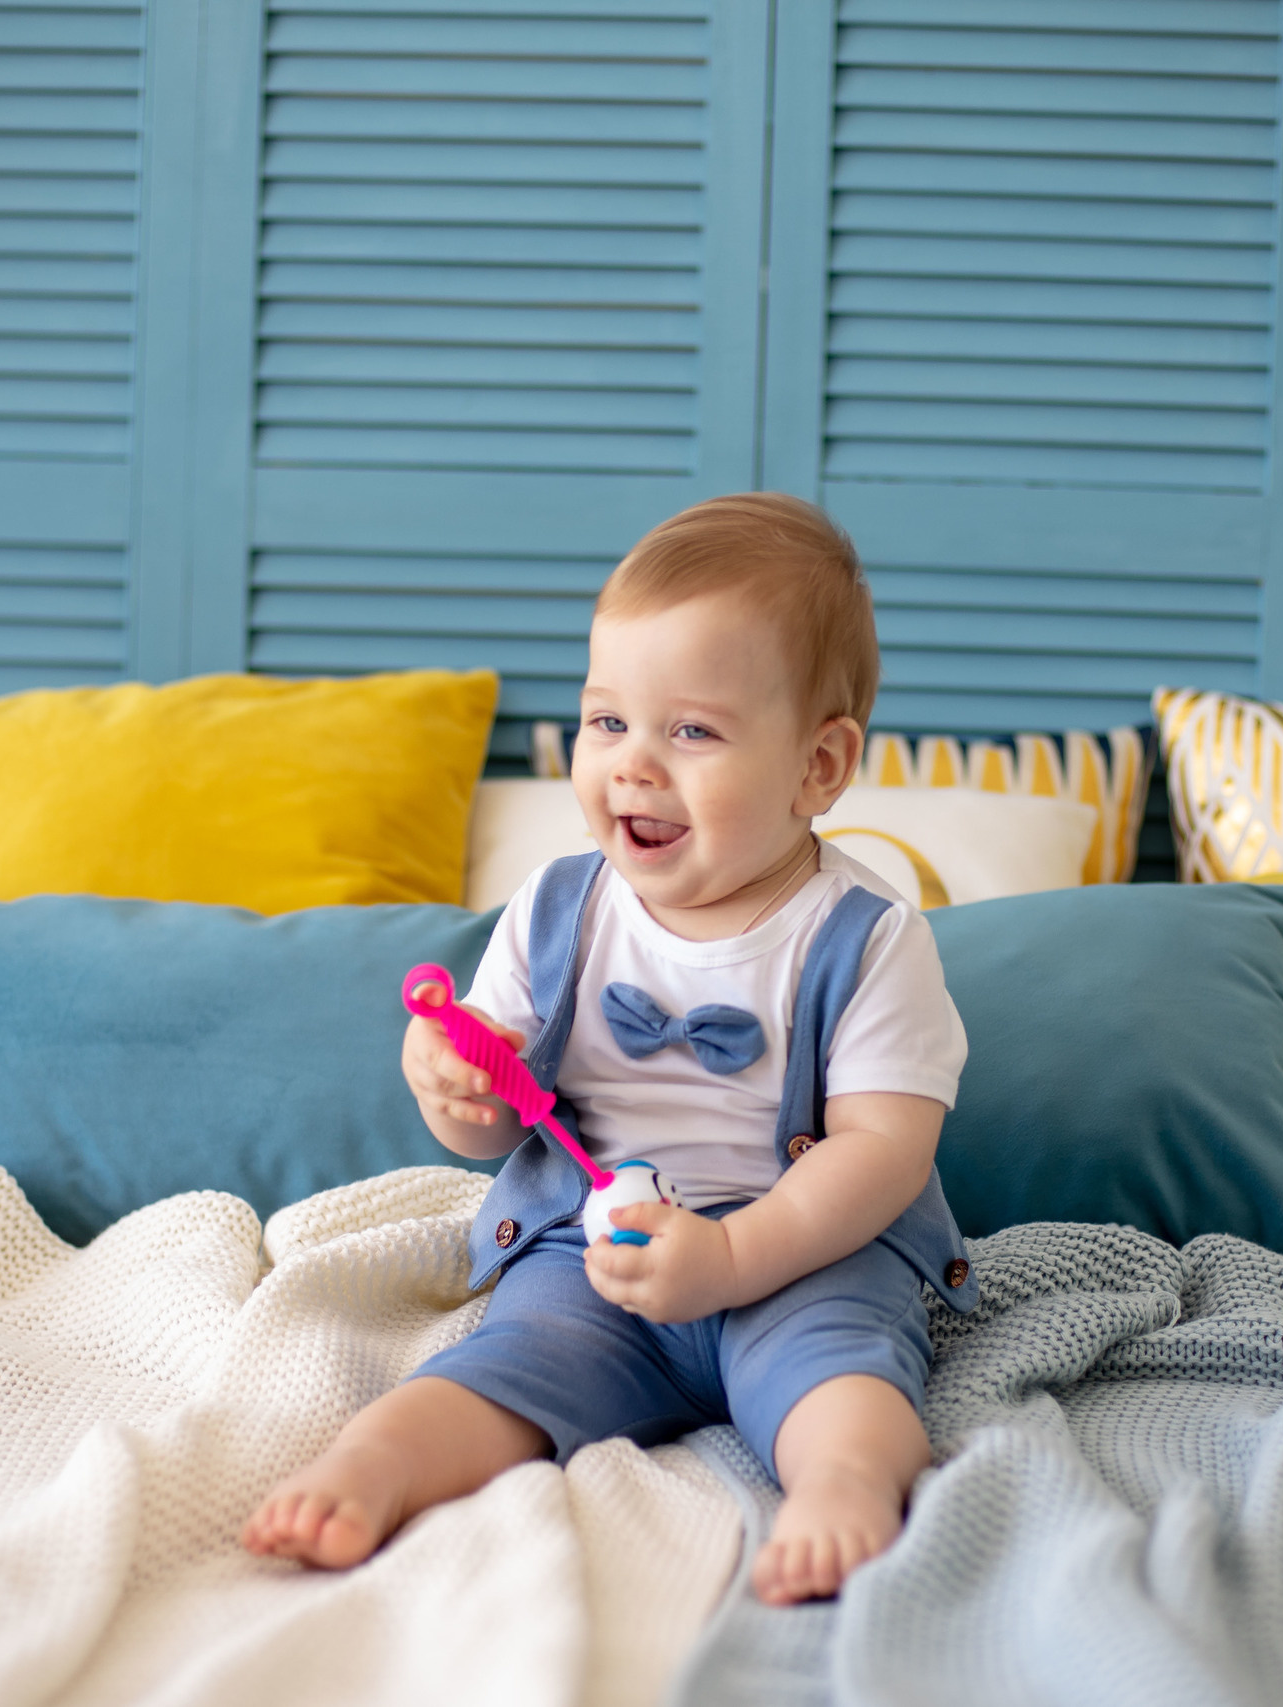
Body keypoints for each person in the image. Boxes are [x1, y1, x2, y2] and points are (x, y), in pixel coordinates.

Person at [244, 493, 977, 1604]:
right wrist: (452, 1083)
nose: (633, 766)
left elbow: (886, 1148)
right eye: (604, 722)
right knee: (498, 1371)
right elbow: (491, 1118)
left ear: (818, 768)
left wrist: (734, 1261)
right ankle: (375, 1465)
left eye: (691, 731)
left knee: (846, 1382)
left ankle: (846, 1492)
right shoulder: (557, 909)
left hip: (801, 1258)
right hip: (592, 1262)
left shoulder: (863, 937)